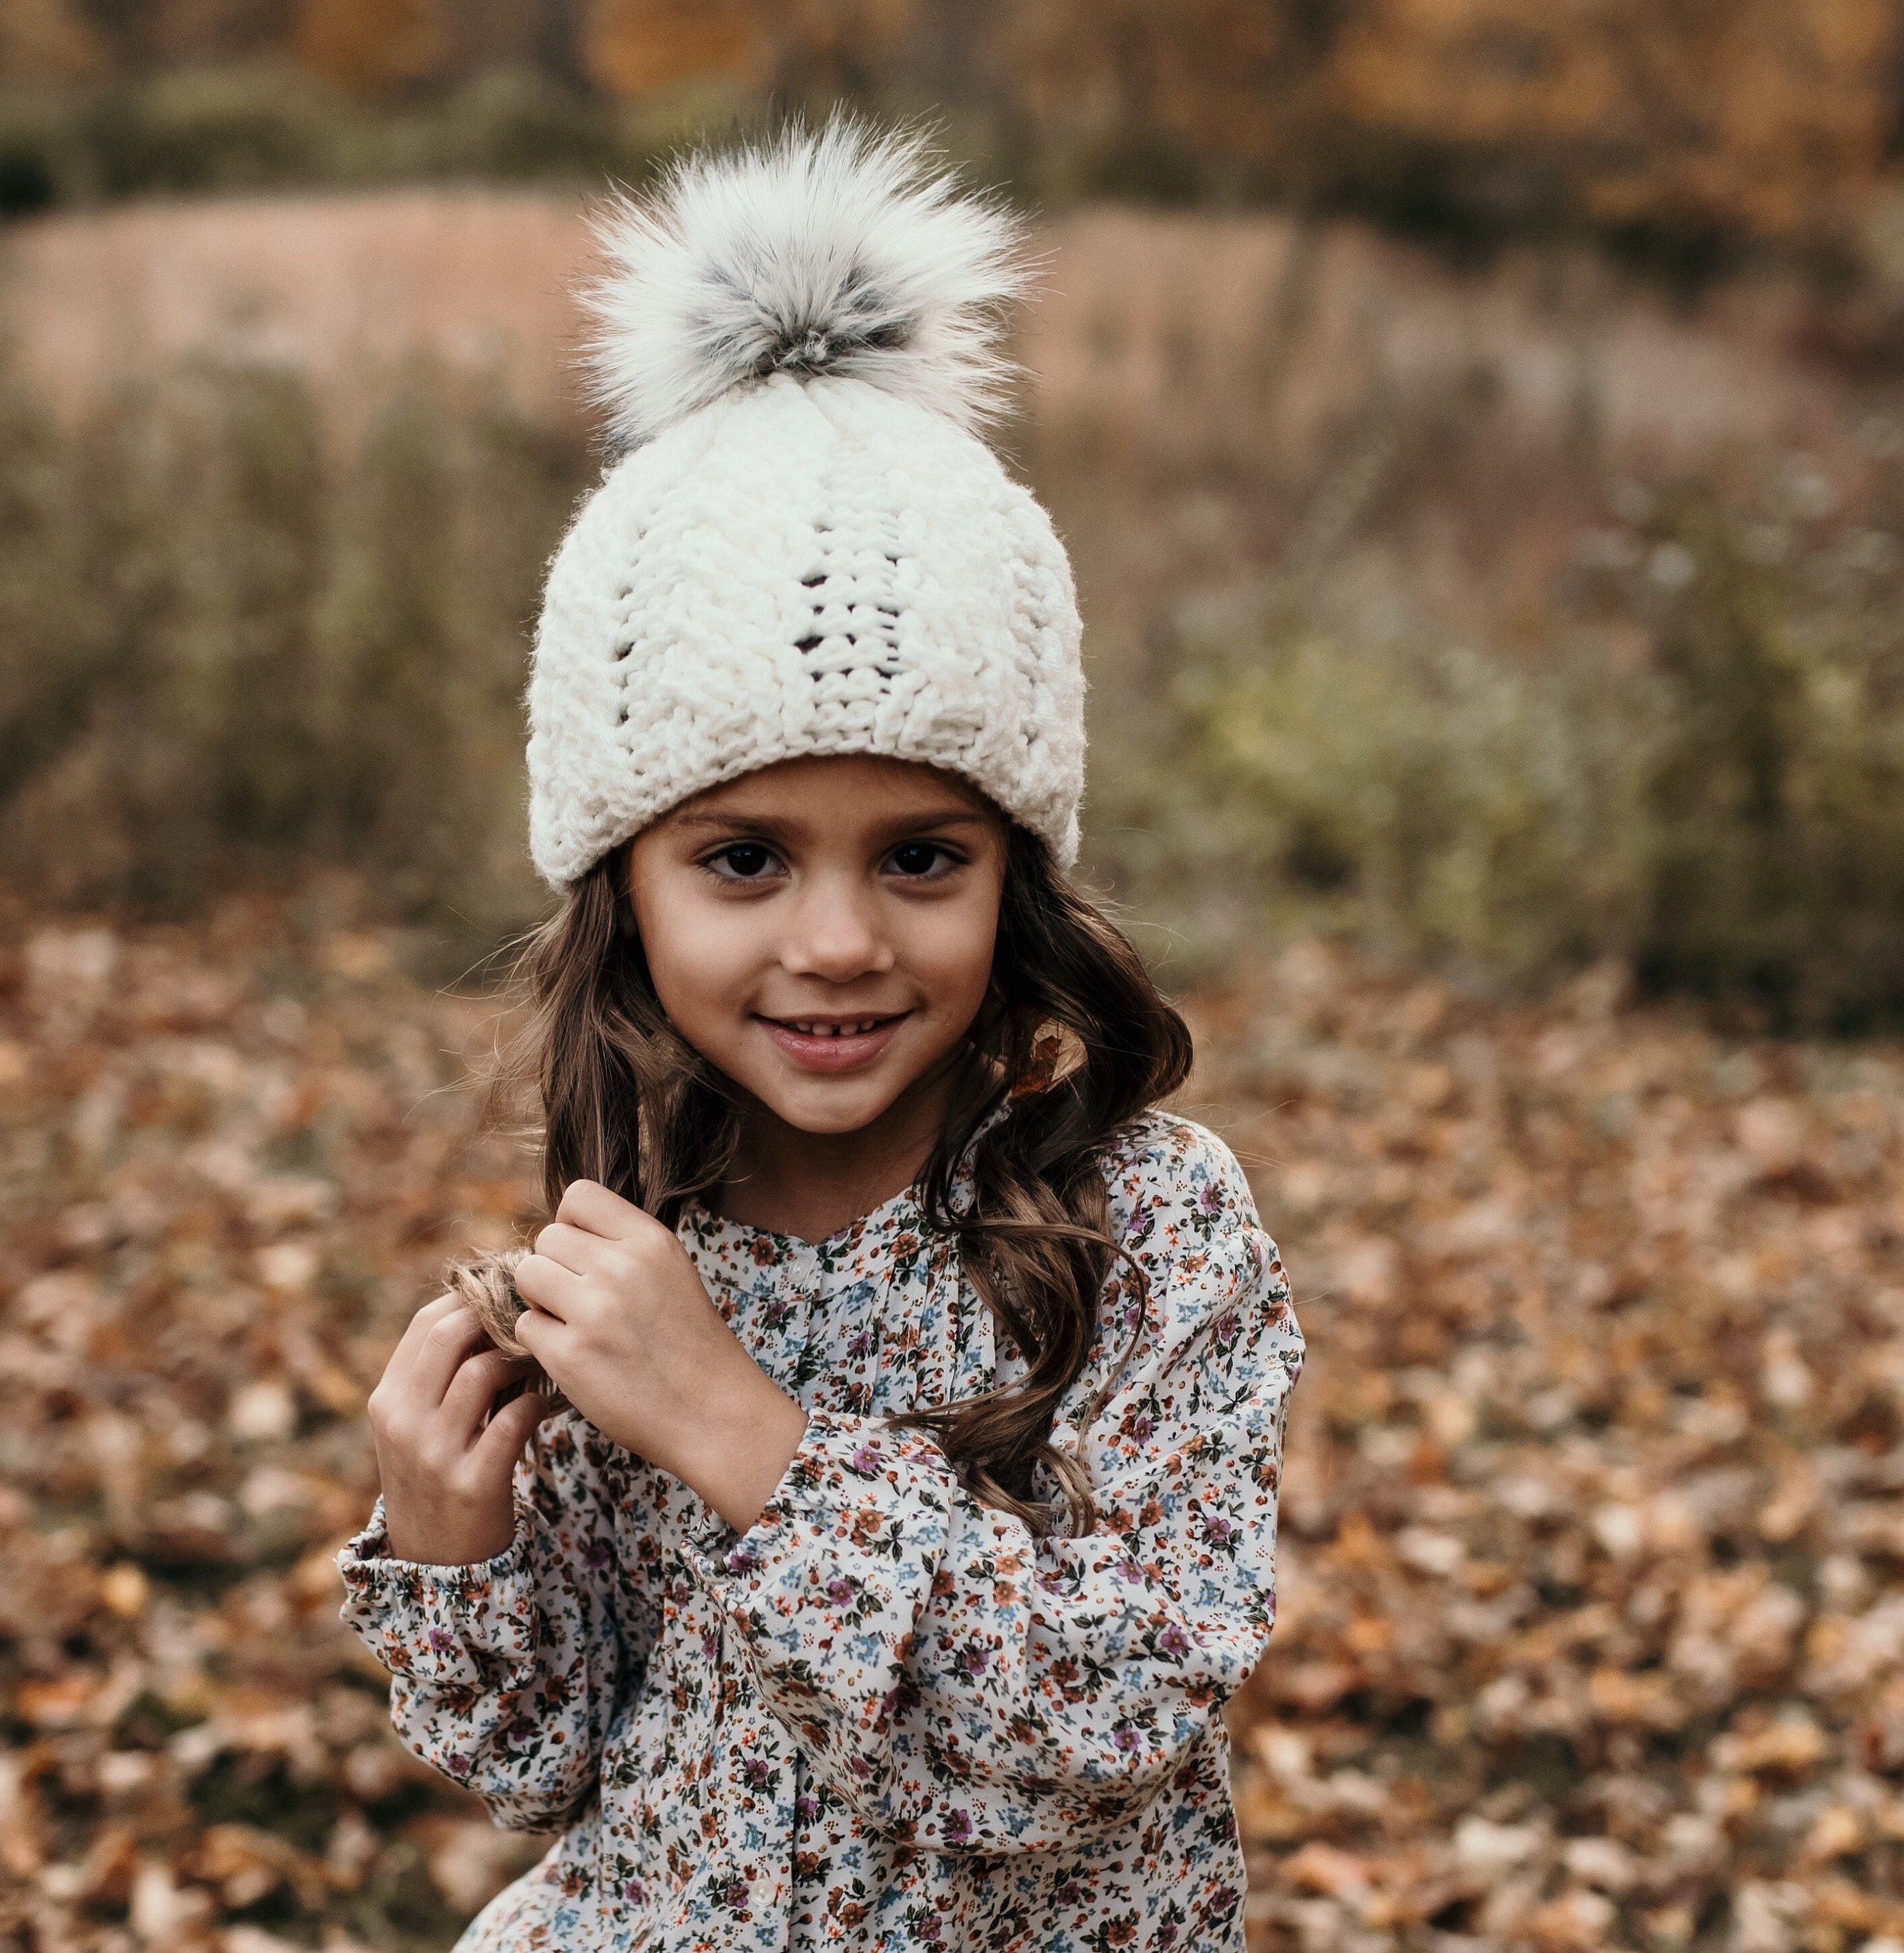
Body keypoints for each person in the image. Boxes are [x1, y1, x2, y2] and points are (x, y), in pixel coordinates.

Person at [338, 120, 1305, 1953]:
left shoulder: (1144, 1232)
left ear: (1015, 871)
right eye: (745, 858)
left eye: (921, 854)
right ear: (625, 881)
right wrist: (450, 1542)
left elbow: (1112, 1720)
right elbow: (547, 1766)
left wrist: (756, 1438)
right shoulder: (629, 1249)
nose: (841, 939)